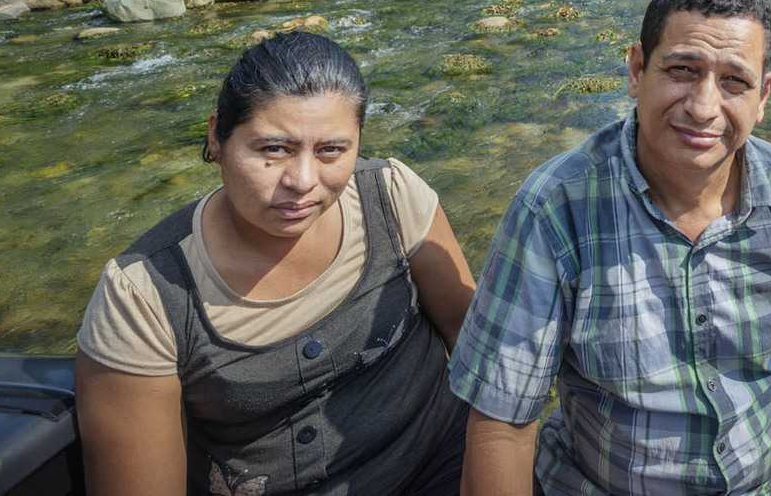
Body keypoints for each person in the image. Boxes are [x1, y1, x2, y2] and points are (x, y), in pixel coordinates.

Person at [450, 0, 771, 496]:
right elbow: (503, 418)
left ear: (764, 95)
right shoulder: (556, 207)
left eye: (734, 81)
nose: (703, 107)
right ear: (636, 69)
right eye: (682, 70)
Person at [75, 32, 477, 496]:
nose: (303, 182)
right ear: (216, 137)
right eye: (273, 149)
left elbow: (478, 351)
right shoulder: (142, 297)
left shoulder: (392, 196)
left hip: (447, 465)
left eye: (332, 150)